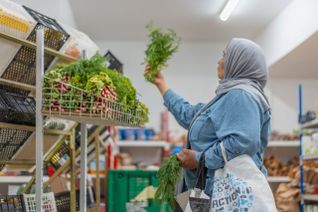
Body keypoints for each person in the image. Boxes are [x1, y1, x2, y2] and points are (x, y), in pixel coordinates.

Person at [145, 38, 271, 196]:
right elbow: (191, 115)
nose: (219, 61)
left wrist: (199, 158)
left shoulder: (242, 95)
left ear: (239, 62)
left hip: (228, 197)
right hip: (217, 193)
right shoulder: (228, 96)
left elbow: (242, 143)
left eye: (225, 55)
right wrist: (161, 84)